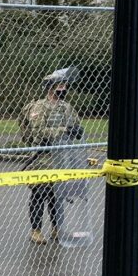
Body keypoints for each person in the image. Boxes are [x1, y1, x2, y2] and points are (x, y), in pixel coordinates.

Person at [20, 71, 82, 245]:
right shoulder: (40, 107)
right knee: (40, 193)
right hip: (42, 159)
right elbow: (38, 132)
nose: (63, 89)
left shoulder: (66, 107)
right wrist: (64, 131)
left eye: (64, 86)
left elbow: (76, 125)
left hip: (61, 159)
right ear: (50, 88)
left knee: (57, 195)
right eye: (60, 86)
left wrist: (77, 131)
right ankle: (36, 230)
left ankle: (57, 228)